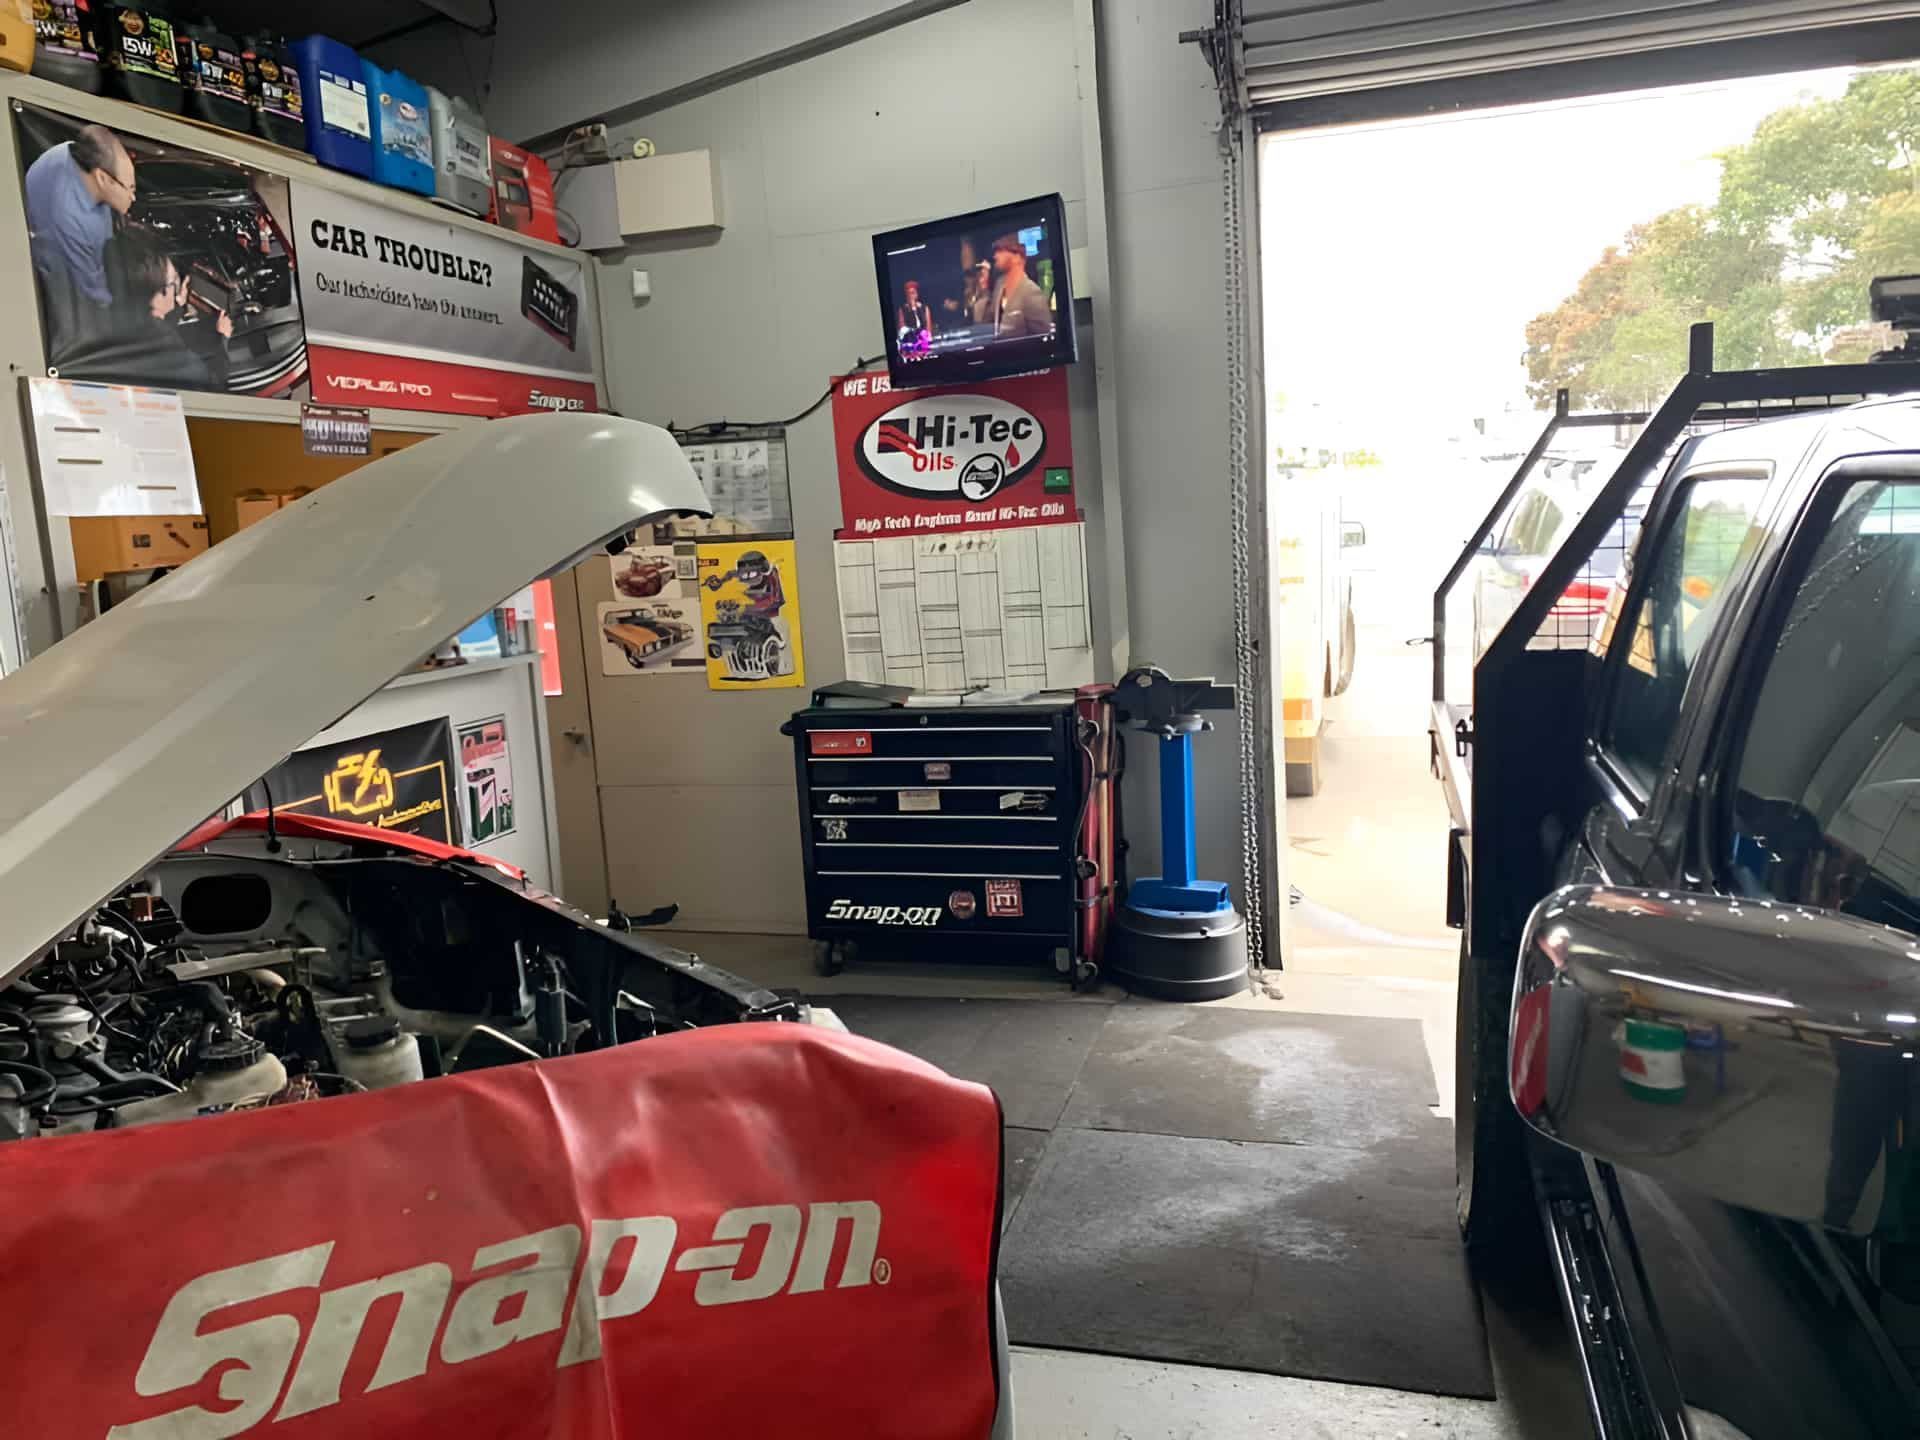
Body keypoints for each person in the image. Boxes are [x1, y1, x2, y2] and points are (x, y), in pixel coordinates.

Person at [24, 124, 135, 351]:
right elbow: (97, 296)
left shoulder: (71, 152)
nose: (133, 197)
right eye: (129, 188)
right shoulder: (74, 221)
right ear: (103, 178)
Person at [105, 229, 232, 390]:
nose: (178, 288)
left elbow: (157, 321)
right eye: (174, 283)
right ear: (160, 293)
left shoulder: (118, 315)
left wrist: (178, 303)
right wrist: (223, 338)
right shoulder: (167, 349)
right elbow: (212, 382)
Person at [991, 233, 1050, 338]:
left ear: (1017, 257)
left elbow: (1042, 338)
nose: (995, 256)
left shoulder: (1031, 292)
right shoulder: (999, 285)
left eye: (1000, 251)